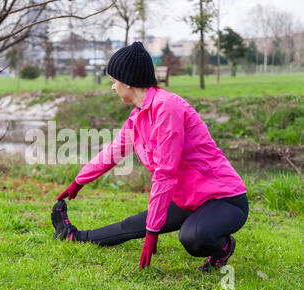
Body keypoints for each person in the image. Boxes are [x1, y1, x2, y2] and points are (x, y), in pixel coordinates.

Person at [52, 42, 249, 272]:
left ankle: (223, 248)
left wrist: (152, 232)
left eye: (114, 81)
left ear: (127, 81)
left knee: (193, 237)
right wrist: (79, 181)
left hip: (224, 198)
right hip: (189, 198)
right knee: (131, 225)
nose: (113, 88)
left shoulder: (167, 109)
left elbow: (166, 173)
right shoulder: (139, 116)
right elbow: (113, 152)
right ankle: (72, 236)